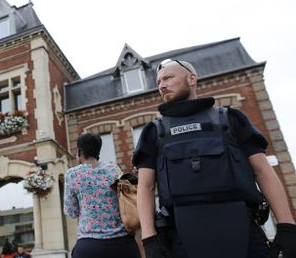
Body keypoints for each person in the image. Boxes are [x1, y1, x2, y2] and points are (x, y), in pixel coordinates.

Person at [134, 59, 296, 258]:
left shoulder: (230, 119)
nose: (162, 85)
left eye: (168, 77)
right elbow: (145, 186)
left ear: (192, 78)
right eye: (158, 82)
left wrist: (287, 226)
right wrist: (149, 239)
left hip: (244, 231)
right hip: (182, 235)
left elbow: (263, 171)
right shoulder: (153, 132)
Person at [63, 133, 140, 258]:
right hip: (122, 244)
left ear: (80, 151)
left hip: (90, 246)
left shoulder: (72, 174)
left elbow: (71, 212)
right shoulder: (113, 169)